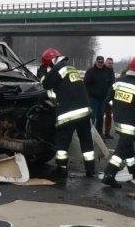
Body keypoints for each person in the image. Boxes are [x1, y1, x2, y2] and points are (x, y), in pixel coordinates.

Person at [39, 48, 95, 177]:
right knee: (86, 142)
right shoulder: (71, 68)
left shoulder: (58, 68)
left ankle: (61, 169)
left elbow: (46, 84)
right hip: (84, 112)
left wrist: (42, 73)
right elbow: (65, 88)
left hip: (69, 114)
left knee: (62, 143)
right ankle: (90, 169)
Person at [100, 56, 135, 188]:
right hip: (130, 122)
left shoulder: (119, 80)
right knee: (121, 149)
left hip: (117, 120)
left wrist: (118, 107)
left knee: (127, 146)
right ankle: (109, 174)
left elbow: (108, 99)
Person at [84, 56, 113, 133]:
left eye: (102, 62)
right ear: (96, 62)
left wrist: (109, 95)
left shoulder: (107, 71)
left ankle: (99, 133)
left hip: (103, 99)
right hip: (93, 98)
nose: (100, 64)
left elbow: (111, 83)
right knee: (92, 117)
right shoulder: (90, 71)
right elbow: (86, 84)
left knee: (100, 117)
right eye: (99, 62)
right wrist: (89, 94)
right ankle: (89, 133)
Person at [103, 57, 116, 138]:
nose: (110, 65)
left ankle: (107, 132)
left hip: (110, 97)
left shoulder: (112, 71)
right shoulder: (103, 71)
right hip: (102, 96)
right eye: (109, 63)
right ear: (106, 63)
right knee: (99, 116)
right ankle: (99, 132)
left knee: (108, 116)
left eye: (111, 63)